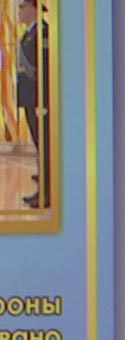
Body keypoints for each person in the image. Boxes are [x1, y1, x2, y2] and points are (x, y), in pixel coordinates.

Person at [13, 0, 46, 209]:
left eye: (22, 8)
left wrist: (42, 99)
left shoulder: (42, 33)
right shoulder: (28, 33)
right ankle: (43, 179)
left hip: (37, 99)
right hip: (28, 97)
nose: (20, 12)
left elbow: (43, 69)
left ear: (34, 8)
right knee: (38, 143)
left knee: (44, 144)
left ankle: (45, 193)